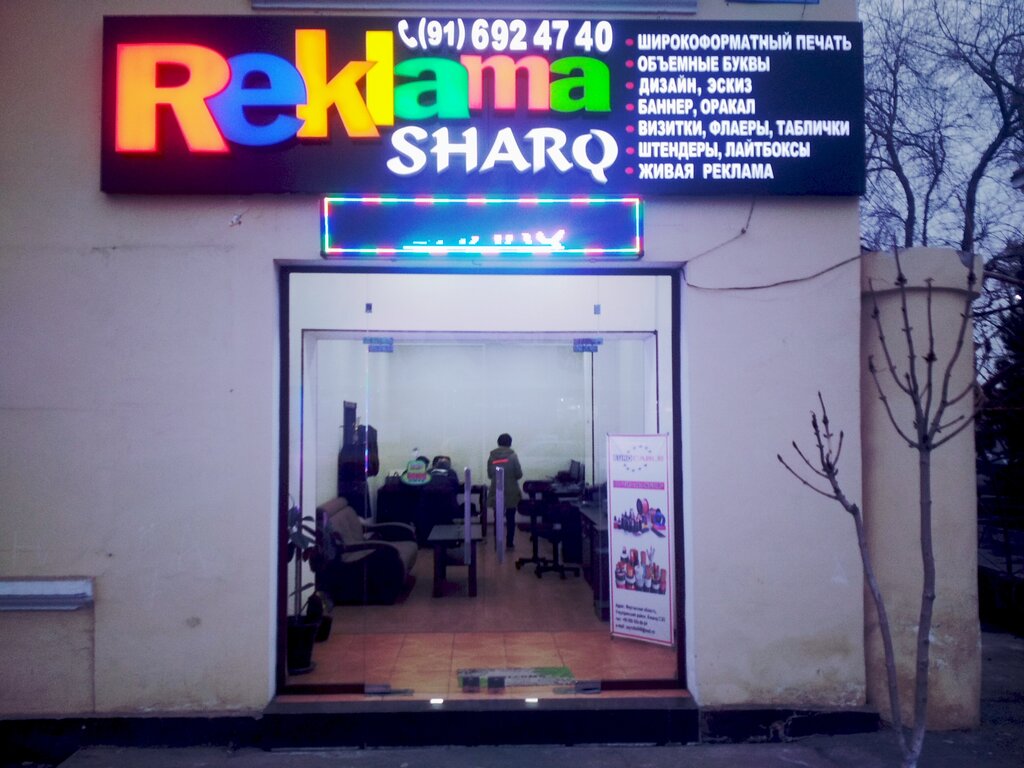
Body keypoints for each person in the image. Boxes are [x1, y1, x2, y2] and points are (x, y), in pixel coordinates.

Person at [487, 433, 523, 550]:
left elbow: (490, 474)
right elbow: (519, 474)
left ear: (498, 443)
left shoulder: (492, 457)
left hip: (496, 489)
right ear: (510, 443)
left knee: (497, 518)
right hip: (511, 490)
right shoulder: (513, 456)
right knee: (510, 518)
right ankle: (509, 543)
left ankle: (498, 543)